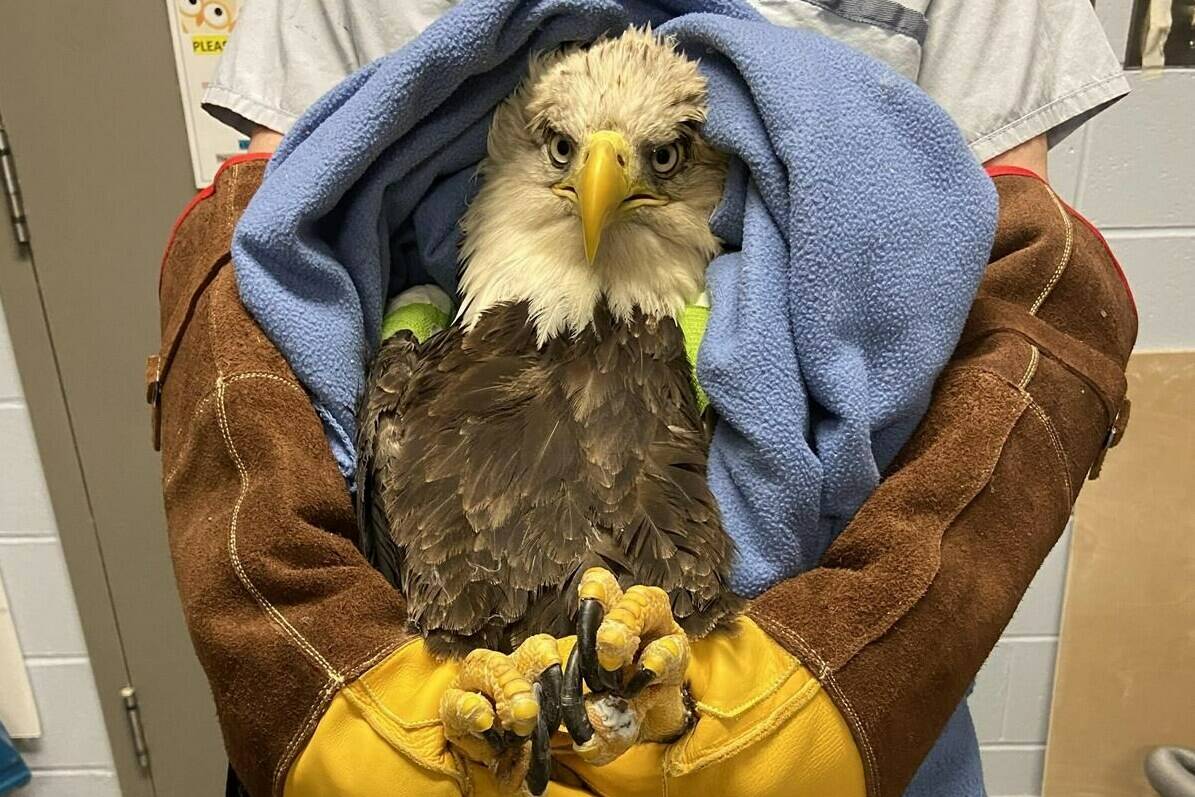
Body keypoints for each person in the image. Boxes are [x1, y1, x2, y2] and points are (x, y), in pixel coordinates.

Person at [152, 2, 1137, 796]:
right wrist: (327, 687)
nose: (600, 179)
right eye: (565, 152)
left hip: (826, 673)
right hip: (408, 669)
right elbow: (270, 266)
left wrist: (833, 686)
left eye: (653, 156)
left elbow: (1010, 307)